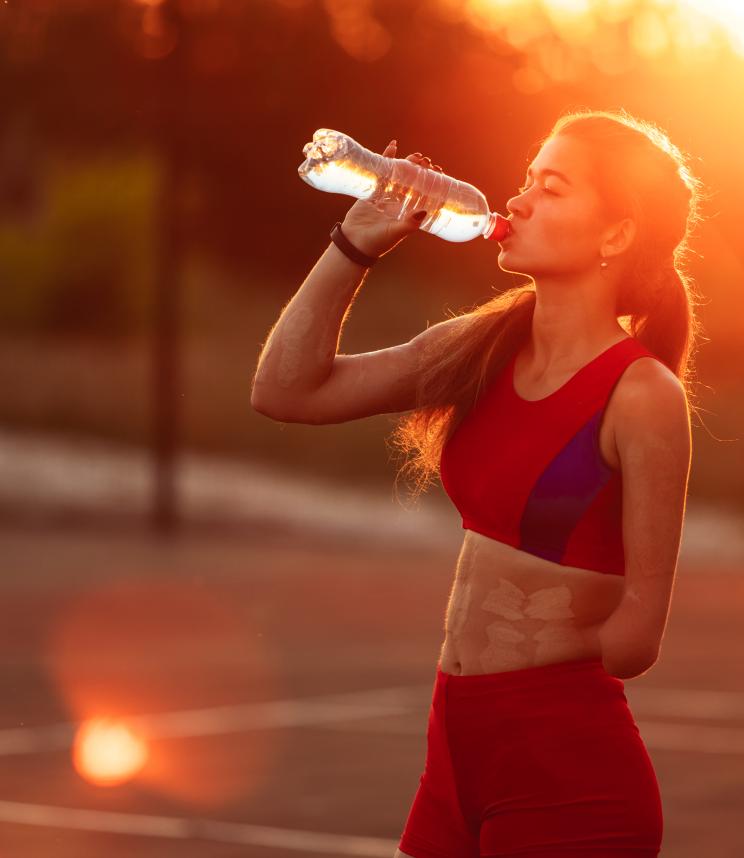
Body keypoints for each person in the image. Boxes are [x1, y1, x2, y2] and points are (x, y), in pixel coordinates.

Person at [251, 108, 705, 857]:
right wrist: (351, 246)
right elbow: (285, 391)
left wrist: (531, 652)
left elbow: (636, 637)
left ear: (616, 233)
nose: (518, 200)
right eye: (525, 180)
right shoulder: (481, 346)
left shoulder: (642, 393)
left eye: (551, 187)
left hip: (566, 774)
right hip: (453, 750)